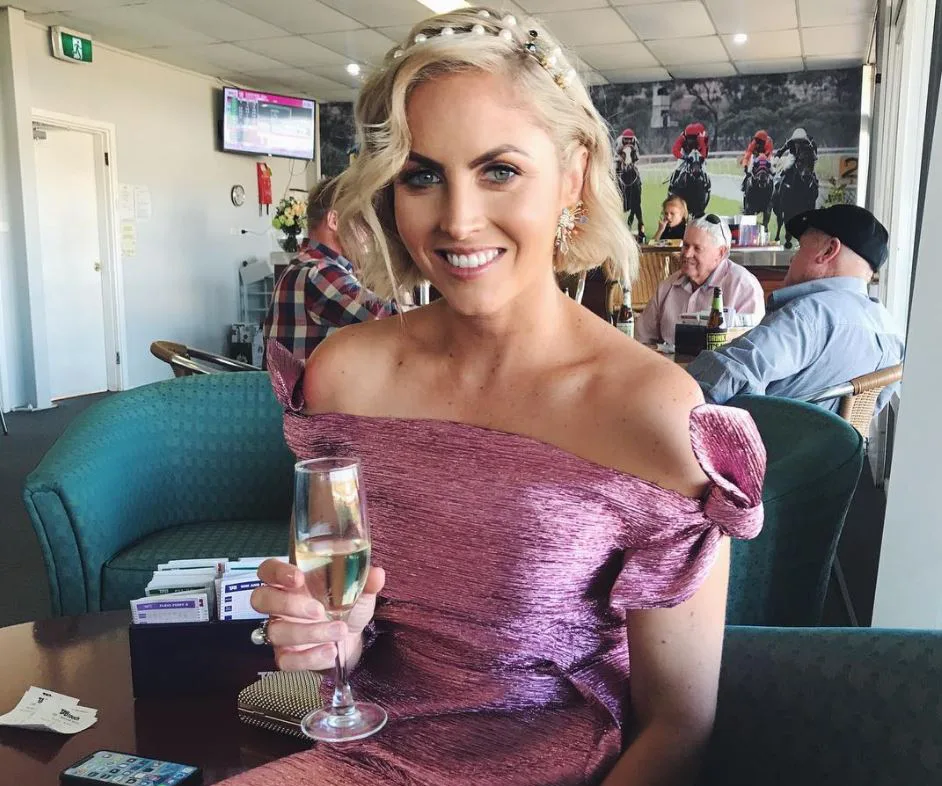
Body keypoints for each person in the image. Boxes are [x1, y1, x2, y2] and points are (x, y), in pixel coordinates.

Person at [242, 7, 765, 786]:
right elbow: (354, 631)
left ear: (574, 175)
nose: (457, 220)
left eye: (499, 170)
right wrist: (331, 640)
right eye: (424, 175)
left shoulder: (652, 413)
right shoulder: (346, 376)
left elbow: (679, 725)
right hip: (364, 757)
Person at [687, 205, 904, 411]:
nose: (793, 257)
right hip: (828, 449)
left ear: (828, 250)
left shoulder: (809, 316)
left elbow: (728, 374)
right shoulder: (890, 333)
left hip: (763, 445)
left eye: (801, 247)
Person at [262, 176, 398, 361]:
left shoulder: (302, 266)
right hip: (308, 390)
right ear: (334, 220)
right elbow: (392, 320)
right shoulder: (318, 272)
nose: (367, 234)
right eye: (362, 223)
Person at [636, 214, 765, 345]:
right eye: (685, 246)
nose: (687, 254)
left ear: (721, 253)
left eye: (697, 248)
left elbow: (751, 348)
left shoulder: (743, 286)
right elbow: (642, 339)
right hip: (669, 364)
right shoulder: (667, 287)